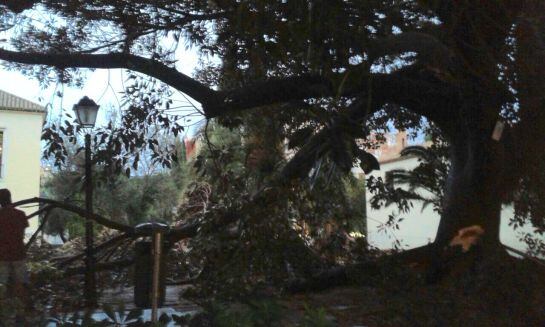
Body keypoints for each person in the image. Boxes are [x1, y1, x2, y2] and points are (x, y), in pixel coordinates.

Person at [0, 188, 28, 301]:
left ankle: (4, 309)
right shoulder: (21, 214)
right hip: (18, 253)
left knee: (2, 284)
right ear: (10, 198)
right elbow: (22, 234)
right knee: (21, 283)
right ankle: (20, 307)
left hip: (2, 254)